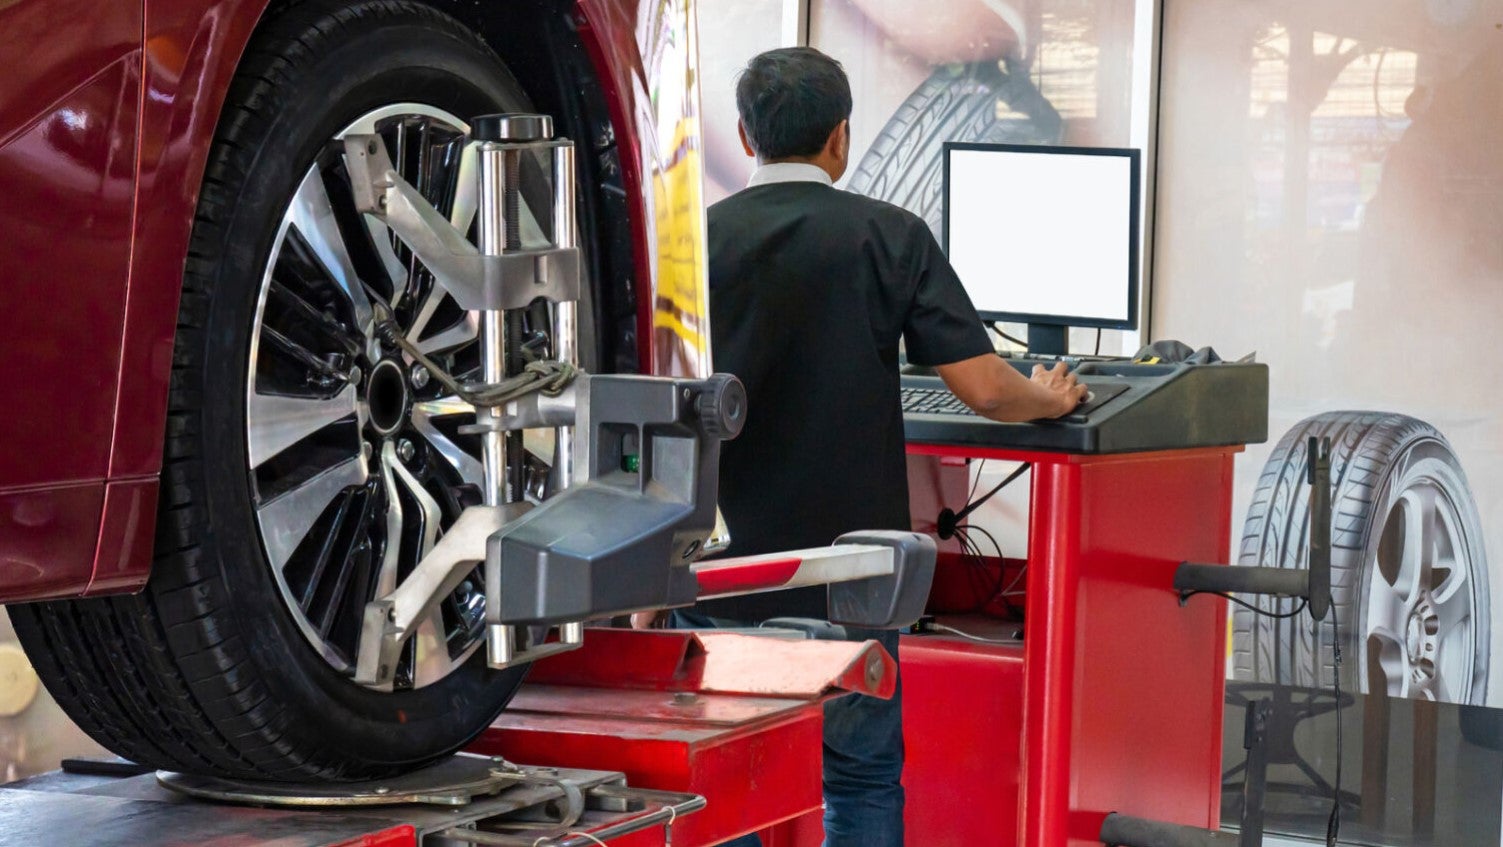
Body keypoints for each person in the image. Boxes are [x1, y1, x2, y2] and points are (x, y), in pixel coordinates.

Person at [684, 47, 1085, 847]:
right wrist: (1054, 395)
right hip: (852, 582)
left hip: (723, 574)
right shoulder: (889, 236)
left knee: (720, 774)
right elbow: (987, 389)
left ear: (743, 134)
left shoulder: (697, 242)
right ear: (840, 139)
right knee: (859, 774)